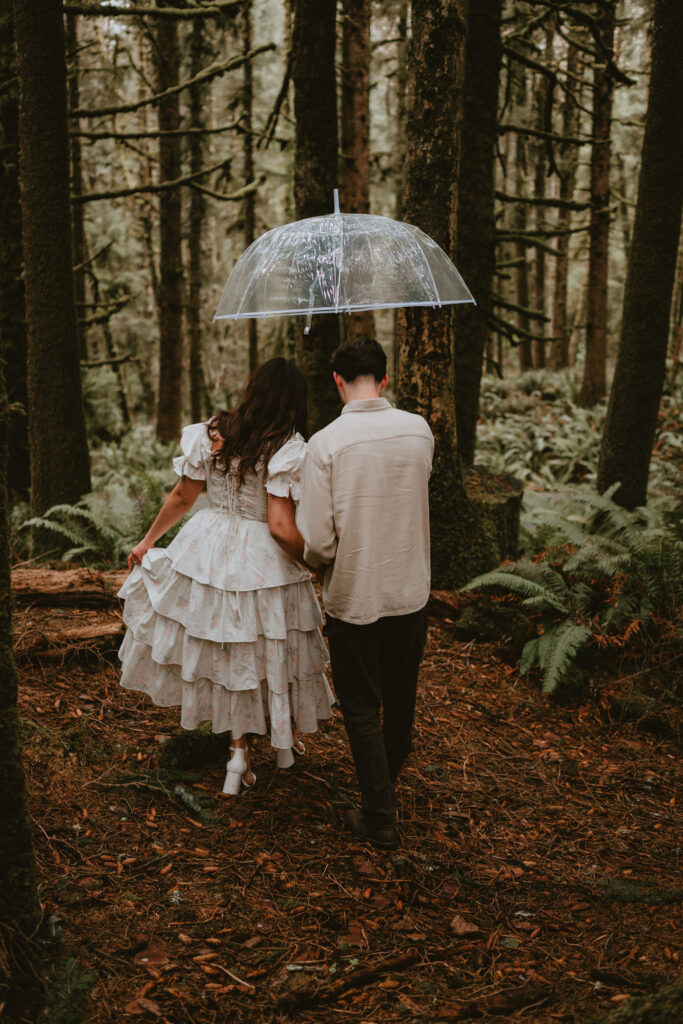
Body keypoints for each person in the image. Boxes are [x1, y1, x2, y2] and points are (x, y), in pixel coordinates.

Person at [118, 358, 333, 795]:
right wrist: (314, 561)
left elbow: (183, 496)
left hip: (209, 545)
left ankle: (238, 753)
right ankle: (281, 745)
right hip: (263, 557)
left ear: (253, 389)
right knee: (270, 646)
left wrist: (147, 542)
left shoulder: (215, 432)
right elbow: (280, 523)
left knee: (229, 650)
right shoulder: (288, 445)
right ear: (294, 400)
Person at [297, 337, 434, 850]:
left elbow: (317, 540)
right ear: (384, 378)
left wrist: (319, 564)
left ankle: (379, 814)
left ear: (337, 380)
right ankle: (385, 780)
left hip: (355, 594)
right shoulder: (419, 431)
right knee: (401, 696)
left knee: (360, 704)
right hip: (410, 590)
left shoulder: (325, 444)